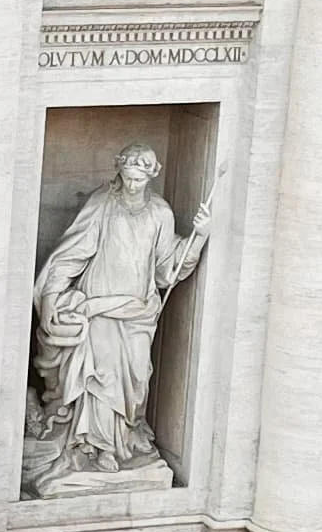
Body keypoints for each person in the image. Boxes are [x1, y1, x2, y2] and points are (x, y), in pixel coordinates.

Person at [28, 145, 211, 490]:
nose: (131, 185)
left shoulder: (160, 212)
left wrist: (199, 236)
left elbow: (167, 268)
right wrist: (52, 293)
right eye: (127, 177)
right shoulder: (103, 203)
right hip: (99, 307)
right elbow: (73, 251)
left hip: (137, 311)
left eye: (139, 179)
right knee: (100, 377)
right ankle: (98, 447)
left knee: (136, 377)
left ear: (151, 176)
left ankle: (122, 440)